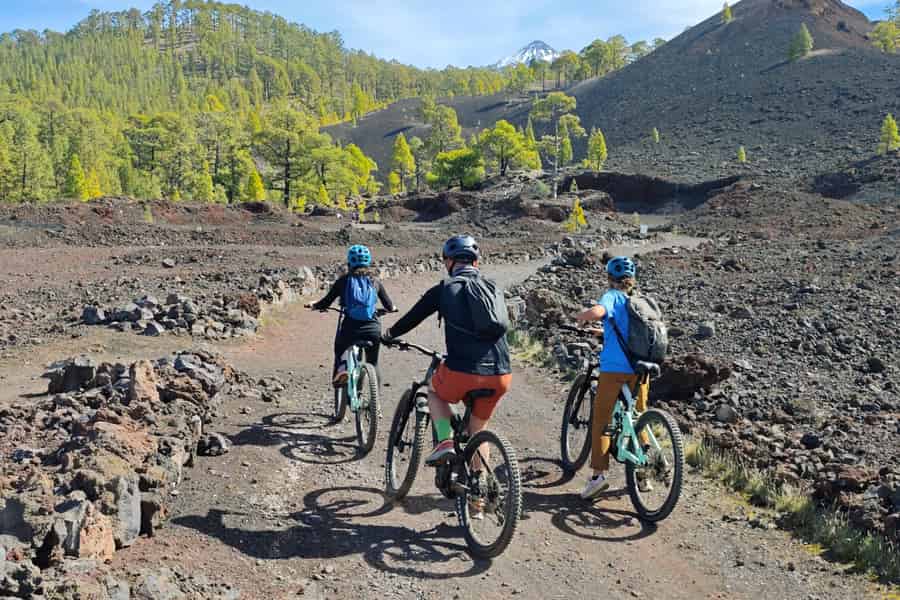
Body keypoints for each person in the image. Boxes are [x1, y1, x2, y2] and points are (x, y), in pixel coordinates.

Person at [382, 235, 512, 468]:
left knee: (434, 391)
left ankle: (444, 441)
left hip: (463, 370)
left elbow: (413, 317)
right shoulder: (493, 287)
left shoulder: (444, 289)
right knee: (477, 430)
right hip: (501, 373)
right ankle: (480, 486)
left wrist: (389, 334)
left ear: (450, 262)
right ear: (475, 262)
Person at [574, 256, 650, 500]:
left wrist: (582, 316)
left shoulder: (612, 296)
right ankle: (644, 473)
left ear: (610, 278)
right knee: (639, 417)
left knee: (601, 420)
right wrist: (601, 331)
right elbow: (625, 331)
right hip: (641, 369)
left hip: (615, 369)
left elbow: (599, 312)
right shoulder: (639, 300)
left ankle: (597, 477)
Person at [306, 245, 396, 385]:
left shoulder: (343, 281)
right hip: (372, 329)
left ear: (349, 262)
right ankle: (376, 396)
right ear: (368, 263)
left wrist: (315, 305)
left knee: (340, 349)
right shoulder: (375, 281)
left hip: (350, 328)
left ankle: (341, 373)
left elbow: (326, 302)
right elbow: (389, 305)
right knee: (373, 363)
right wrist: (392, 308)